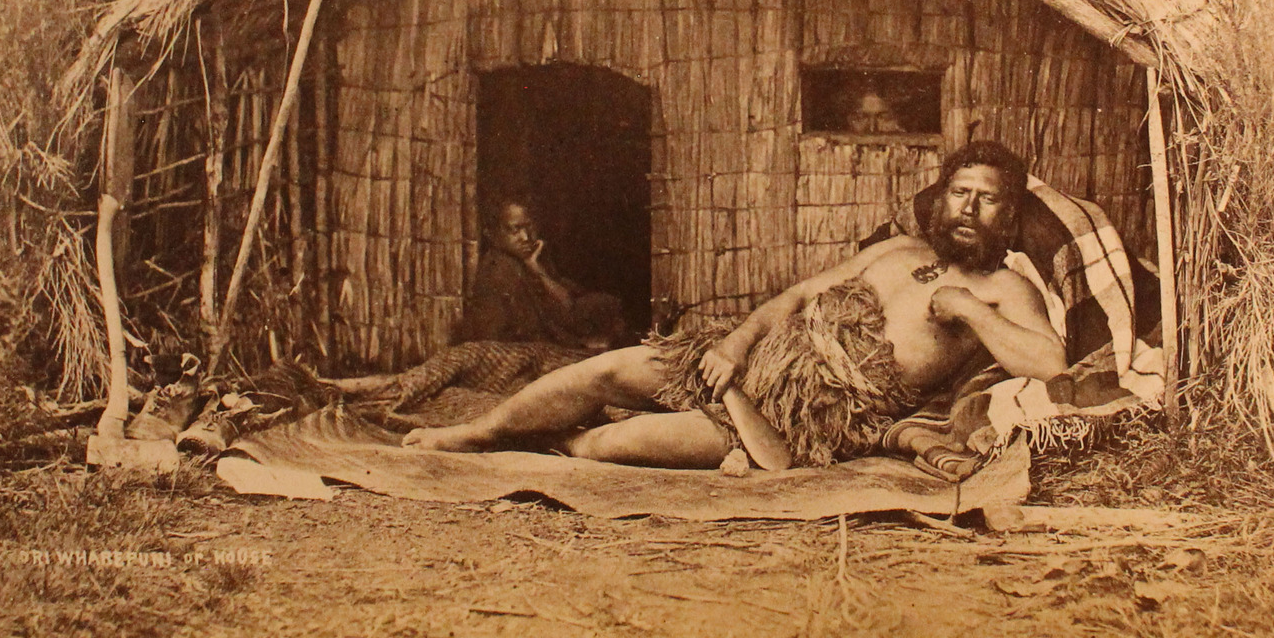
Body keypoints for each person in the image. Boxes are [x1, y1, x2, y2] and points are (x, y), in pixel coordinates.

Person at [406, 141, 1065, 469]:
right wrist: (734, 345)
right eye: (959, 191)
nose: (968, 207)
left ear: (1007, 215)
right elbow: (798, 294)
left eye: (986, 198)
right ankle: (479, 431)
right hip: (751, 363)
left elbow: (1050, 360)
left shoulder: (1003, 288)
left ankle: (548, 442)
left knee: (604, 444)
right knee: (606, 370)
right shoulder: (893, 250)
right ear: (940, 196)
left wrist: (966, 307)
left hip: (800, 414)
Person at [457, 199, 628, 348]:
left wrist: (535, 267)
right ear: (492, 234)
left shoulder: (528, 263)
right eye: (514, 230)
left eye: (527, 227)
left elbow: (569, 304)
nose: (525, 237)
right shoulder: (501, 268)